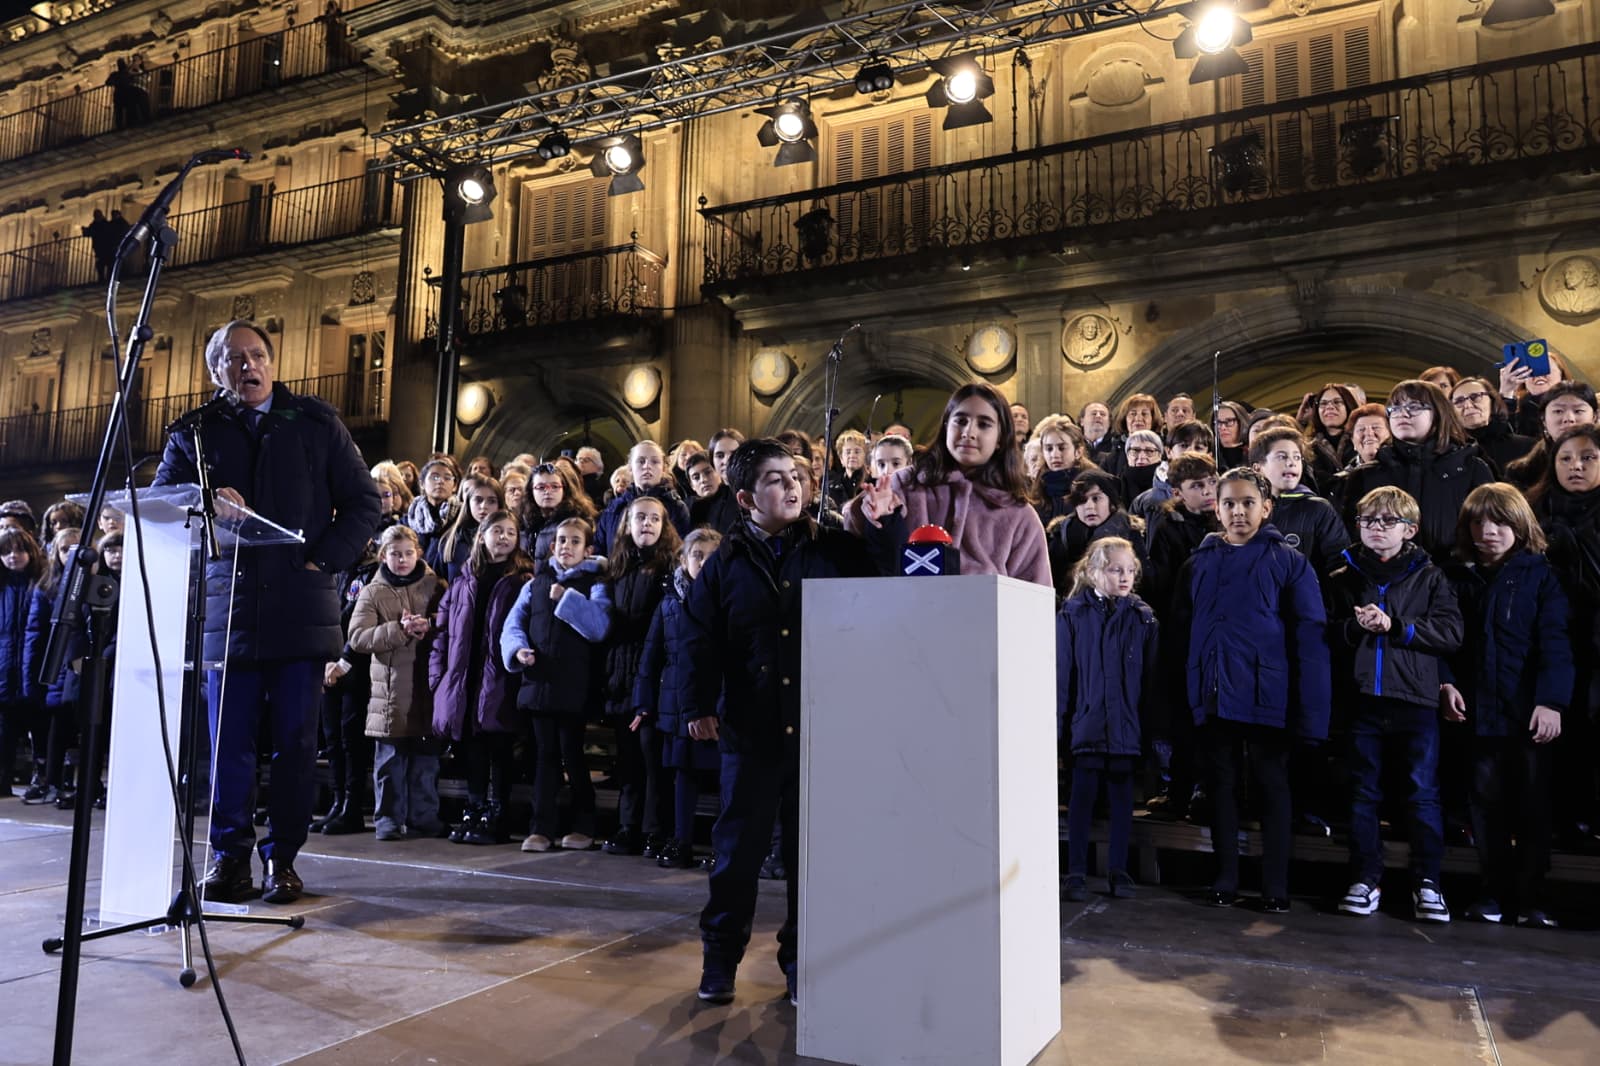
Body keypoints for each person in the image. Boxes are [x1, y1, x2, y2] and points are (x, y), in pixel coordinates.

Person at [152, 318, 380, 904]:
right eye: (233, 359)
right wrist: (203, 502)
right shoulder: (195, 433)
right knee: (228, 744)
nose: (247, 366)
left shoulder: (314, 423)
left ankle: (283, 858)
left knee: (297, 742)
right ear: (215, 371)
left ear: (273, 364)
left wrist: (322, 561)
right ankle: (229, 858)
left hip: (300, 609)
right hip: (227, 611)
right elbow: (161, 507)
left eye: (256, 356)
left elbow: (362, 502)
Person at [682, 439, 877, 1006]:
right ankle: (720, 961)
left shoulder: (836, 550)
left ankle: (801, 963)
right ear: (745, 497)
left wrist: (878, 521)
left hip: (820, 729)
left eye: (795, 475)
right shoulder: (725, 564)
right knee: (737, 854)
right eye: (774, 479)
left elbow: (889, 578)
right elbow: (698, 640)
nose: (791, 485)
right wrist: (696, 706)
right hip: (752, 728)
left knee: (809, 858)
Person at [1170, 468, 1331, 912]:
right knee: (1220, 786)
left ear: (1267, 507)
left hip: (1269, 695)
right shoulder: (1197, 563)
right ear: (1215, 509)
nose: (1238, 511)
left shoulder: (1288, 562)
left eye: (1247, 503)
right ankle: (1225, 878)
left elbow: (1310, 639)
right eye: (1229, 504)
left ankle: (1274, 885)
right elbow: (1182, 635)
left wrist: (1311, 714)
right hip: (1214, 692)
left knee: (1271, 787)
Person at [1326, 487, 1462, 923]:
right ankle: (1366, 878)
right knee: (1362, 794)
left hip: (1415, 700)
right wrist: (1353, 627)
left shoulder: (1430, 575)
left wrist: (1395, 627)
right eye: (1368, 521)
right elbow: (1321, 630)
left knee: (1422, 795)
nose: (1376, 529)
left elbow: (1450, 632)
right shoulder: (1341, 574)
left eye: (1388, 522)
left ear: (1410, 529)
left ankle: (1428, 883)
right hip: (1362, 699)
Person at [1442, 484, 1573, 928]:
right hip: (1478, 715)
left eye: (1499, 522)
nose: (1488, 531)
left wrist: (1551, 701)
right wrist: (1446, 683)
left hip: (1527, 715)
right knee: (1486, 807)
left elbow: (1555, 643)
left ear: (1519, 525)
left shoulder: (1540, 575)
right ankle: (1492, 893)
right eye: (1478, 522)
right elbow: (1446, 642)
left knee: (1533, 808)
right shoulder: (1455, 576)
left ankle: (1533, 898)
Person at [848, 382, 1050, 586]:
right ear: (946, 426)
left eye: (984, 424)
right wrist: (878, 517)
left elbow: (1035, 599)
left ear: (1000, 437)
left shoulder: (1019, 514)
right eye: (960, 421)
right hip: (907, 613)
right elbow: (869, 560)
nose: (968, 432)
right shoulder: (904, 485)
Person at [1057, 537, 1159, 903]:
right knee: (1081, 802)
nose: (1125, 576)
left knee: (1121, 803)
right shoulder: (1072, 614)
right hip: (1085, 727)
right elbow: (1062, 677)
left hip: (1126, 730)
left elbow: (1150, 682)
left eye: (1130, 570)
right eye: (1116, 569)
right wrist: (1058, 731)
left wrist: (1149, 733)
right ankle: (1077, 871)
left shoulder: (1143, 617)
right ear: (1094, 571)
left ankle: (1118, 869)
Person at [501, 515, 610, 852]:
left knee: (573, 756)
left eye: (575, 541)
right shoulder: (534, 583)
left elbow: (600, 626)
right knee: (544, 757)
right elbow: (513, 624)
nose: (567, 546)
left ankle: (584, 824)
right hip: (540, 683)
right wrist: (518, 650)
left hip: (574, 686)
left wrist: (566, 598)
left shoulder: (595, 584)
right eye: (562, 540)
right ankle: (541, 827)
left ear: (587, 549)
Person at [432, 511, 534, 846]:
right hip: (466, 676)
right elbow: (443, 631)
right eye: (497, 531)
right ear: (482, 535)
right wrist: (439, 678)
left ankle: (498, 814)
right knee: (472, 749)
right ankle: (475, 809)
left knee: (499, 749)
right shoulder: (464, 578)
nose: (503, 537)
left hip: (500, 678)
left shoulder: (521, 579)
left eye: (510, 531)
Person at [347, 525, 447, 841]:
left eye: (407, 553)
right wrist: (398, 631)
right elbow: (358, 637)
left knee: (426, 761)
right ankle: (388, 818)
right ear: (383, 556)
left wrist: (428, 624)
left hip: (427, 686)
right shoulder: (372, 592)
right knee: (389, 763)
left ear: (418, 553)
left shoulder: (436, 586)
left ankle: (424, 817)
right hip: (388, 692)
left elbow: (452, 621)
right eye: (394, 554)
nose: (402, 559)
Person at [633, 528, 724, 869]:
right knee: (683, 776)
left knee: (720, 779)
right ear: (684, 559)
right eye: (697, 555)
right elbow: (651, 654)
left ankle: (720, 846)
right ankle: (680, 840)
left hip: (714, 702)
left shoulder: (726, 597)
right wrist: (643, 703)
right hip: (675, 704)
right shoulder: (670, 602)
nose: (703, 562)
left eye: (711, 556)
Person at [1530, 425, 1600, 849]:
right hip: (1551, 641)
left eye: (1588, 457)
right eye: (1566, 458)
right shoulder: (1536, 512)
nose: (1576, 466)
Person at [599, 496, 681, 857]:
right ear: (626, 525)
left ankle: (654, 829)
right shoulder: (616, 569)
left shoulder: (669, 568)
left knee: (652, 758)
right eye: (639, 518)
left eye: (654, 519)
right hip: (620, 672)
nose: (646, 524)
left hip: (653, 675)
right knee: (628, 759)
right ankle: (627, 826)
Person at [1342, 380, 1493, 563]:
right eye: (1395, 408)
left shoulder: (1472, 469)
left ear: (1438, 414)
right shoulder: (1365, 475)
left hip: (1457, 580)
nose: (1402, 413)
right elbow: (1352, 535)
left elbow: (1489, 532)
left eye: (1414, 406)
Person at [1249, 426, 1349, 578]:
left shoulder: (1318, 508)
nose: (1291, 463)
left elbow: (1340, 563)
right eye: (1282, 457)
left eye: (1296, 457)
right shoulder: (1244, 508)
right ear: (1257, 468)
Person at [1045, 470, 1149, 597]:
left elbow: (1144, 583)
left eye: (1096, 498)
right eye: (1081, 500)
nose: (1089, 506)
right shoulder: (1060, 534)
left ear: (1111, 503)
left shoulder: (1130, 534)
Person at [0, 528, 48, 798]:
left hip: (34, 670)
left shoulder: (42, 584)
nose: (13, 556)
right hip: (5, 670)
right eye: (6, 552)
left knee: (39, 729)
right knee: (4, 732)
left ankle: (41, 779)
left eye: (19, 550)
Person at [595, 441, 691, 556]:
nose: (647, 466)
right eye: (641, 461)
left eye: (654, 462)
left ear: (663, 469)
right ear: (630, 468)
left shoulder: (676, 507)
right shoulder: (614, 508)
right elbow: (599, 550)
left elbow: (681, 552)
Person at [1504, 382, 1597, 491]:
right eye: (1558, 411)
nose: (1569, 418)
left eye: (1578, 411)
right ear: (1543, 419)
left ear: (1595, 417)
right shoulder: (1522, 473)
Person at [1450, 376, 1536, 477]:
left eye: (1475, 397)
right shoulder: (1449, 454)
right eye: (1459, 401)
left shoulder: (1528, 447)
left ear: (1492, 401)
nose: (1468, 405)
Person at [517, 461, 597, 563]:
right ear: (531, 491)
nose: (548, 491)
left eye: (555, 486)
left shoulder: (577, 520)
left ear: (564, 489)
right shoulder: (524, 521)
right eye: (541, 487)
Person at [428, 475, 503, 581]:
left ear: (500, 505)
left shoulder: (506, 538)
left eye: (491, 501)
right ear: (468, 503)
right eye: (478, 500)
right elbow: (439, 580)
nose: (483, 506)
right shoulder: (452, 539)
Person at [1032, 415, 1094, 524]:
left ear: (1078, 452)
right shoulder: (1038, 486)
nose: (1055, 455)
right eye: (1049, 449)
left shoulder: (1094, 485)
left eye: (1062, 448)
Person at [404, 458, 459, 561]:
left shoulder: (462, 517)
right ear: (422, 484)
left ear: (455, 486)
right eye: (434, 477)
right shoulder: (408, 520)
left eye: (447, 478)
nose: (440, 481)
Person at [686, 450, 741, 534]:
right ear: (692, 486)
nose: (703, 480)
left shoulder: (737, 499)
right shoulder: (689, 510)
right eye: (696, 477)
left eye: (708, 472)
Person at [826, 429, 868, 509]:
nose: (852, 455)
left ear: (864, 455)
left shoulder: (872, 483)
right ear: (841, 458)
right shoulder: (830, 487)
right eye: (848, 452)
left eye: (857, 451)